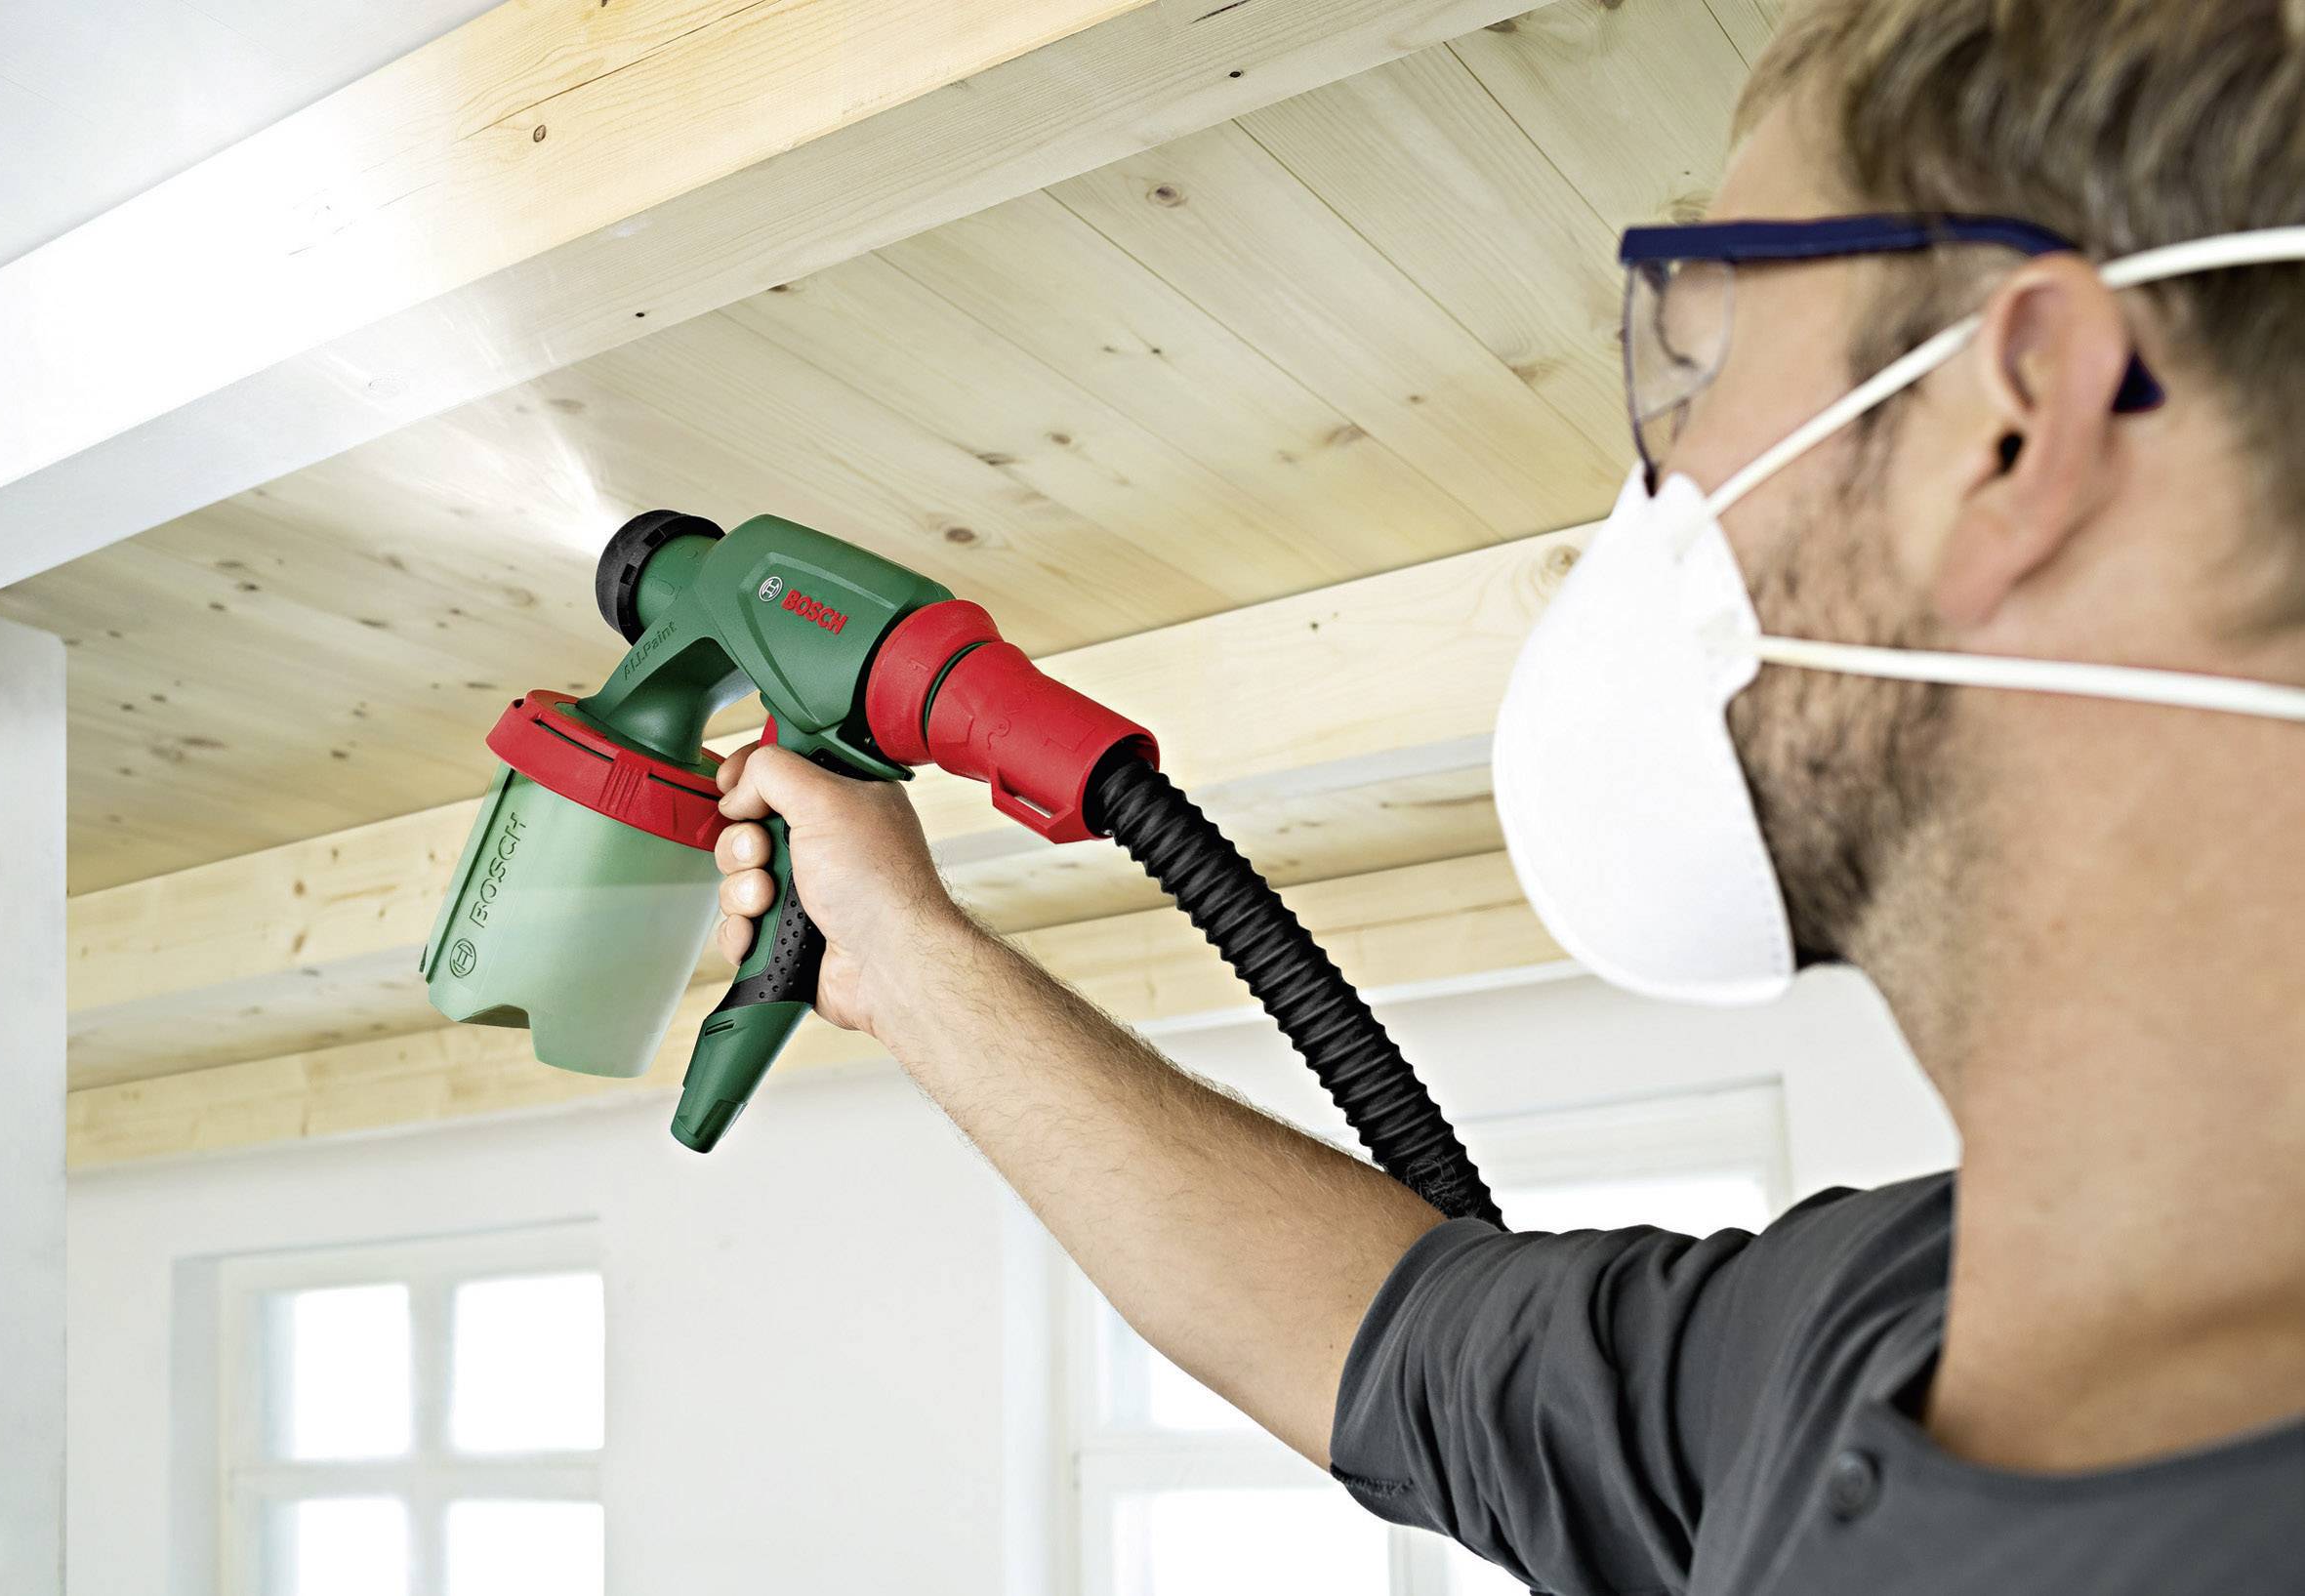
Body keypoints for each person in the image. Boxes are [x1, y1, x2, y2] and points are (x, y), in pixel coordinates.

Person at [707, 1, 2305, 1588]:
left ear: (2007, 429)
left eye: (1702, 346)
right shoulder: (1887, 1321)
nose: (1656, 473)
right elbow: (1389, 1343)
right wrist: (905, 956)